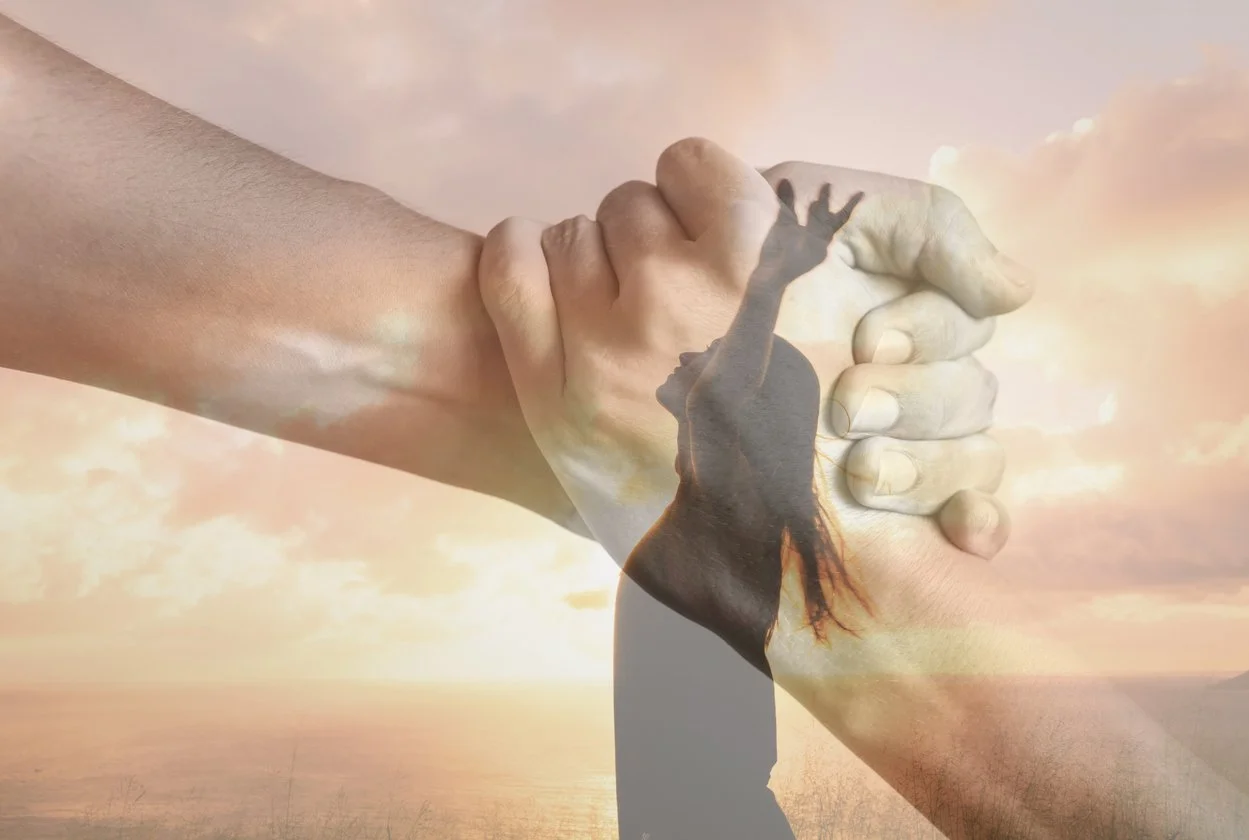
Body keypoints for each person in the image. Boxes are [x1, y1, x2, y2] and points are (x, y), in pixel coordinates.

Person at [1, 11, 1022, 839]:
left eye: (700, 375)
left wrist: (754, 312)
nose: (679, 372)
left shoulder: (689, 558)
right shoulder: (700, 554)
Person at [479, 149, 1249, 838]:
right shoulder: (713, 523)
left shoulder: (718, 519)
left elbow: (728, 386)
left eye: (712, 352)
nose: (691, 348)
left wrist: (771, 278)